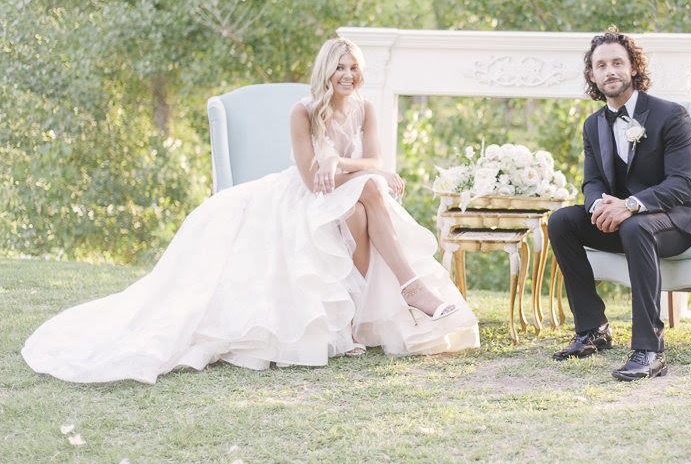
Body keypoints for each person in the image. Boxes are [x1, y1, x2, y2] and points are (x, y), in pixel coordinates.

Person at [22, 37, 479, 384]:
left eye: (353, 67)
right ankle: (408, 292)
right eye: (339, 67)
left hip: (350, 189)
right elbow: (307, 179)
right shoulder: (303, 112)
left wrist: (340, 162)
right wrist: (350, 172)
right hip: (305, 196)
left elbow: (376, 162)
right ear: (325, 71)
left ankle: (362, 320)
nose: (347, 74)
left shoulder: (365, 108)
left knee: (367, 200)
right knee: (370, 197)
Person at [548, 29, 691, 382]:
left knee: (636, 225)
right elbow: (592, 181)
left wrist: (630, 205)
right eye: (601, 65)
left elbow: (683, 183)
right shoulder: (593, 124)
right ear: (592, 75)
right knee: (562, 220)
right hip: (625, 221)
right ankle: (593, 329)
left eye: (617, 63)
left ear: (633, 68)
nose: (610, 70)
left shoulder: (671, 115)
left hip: (678, 219)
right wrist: (597, 206)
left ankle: (650, 348)